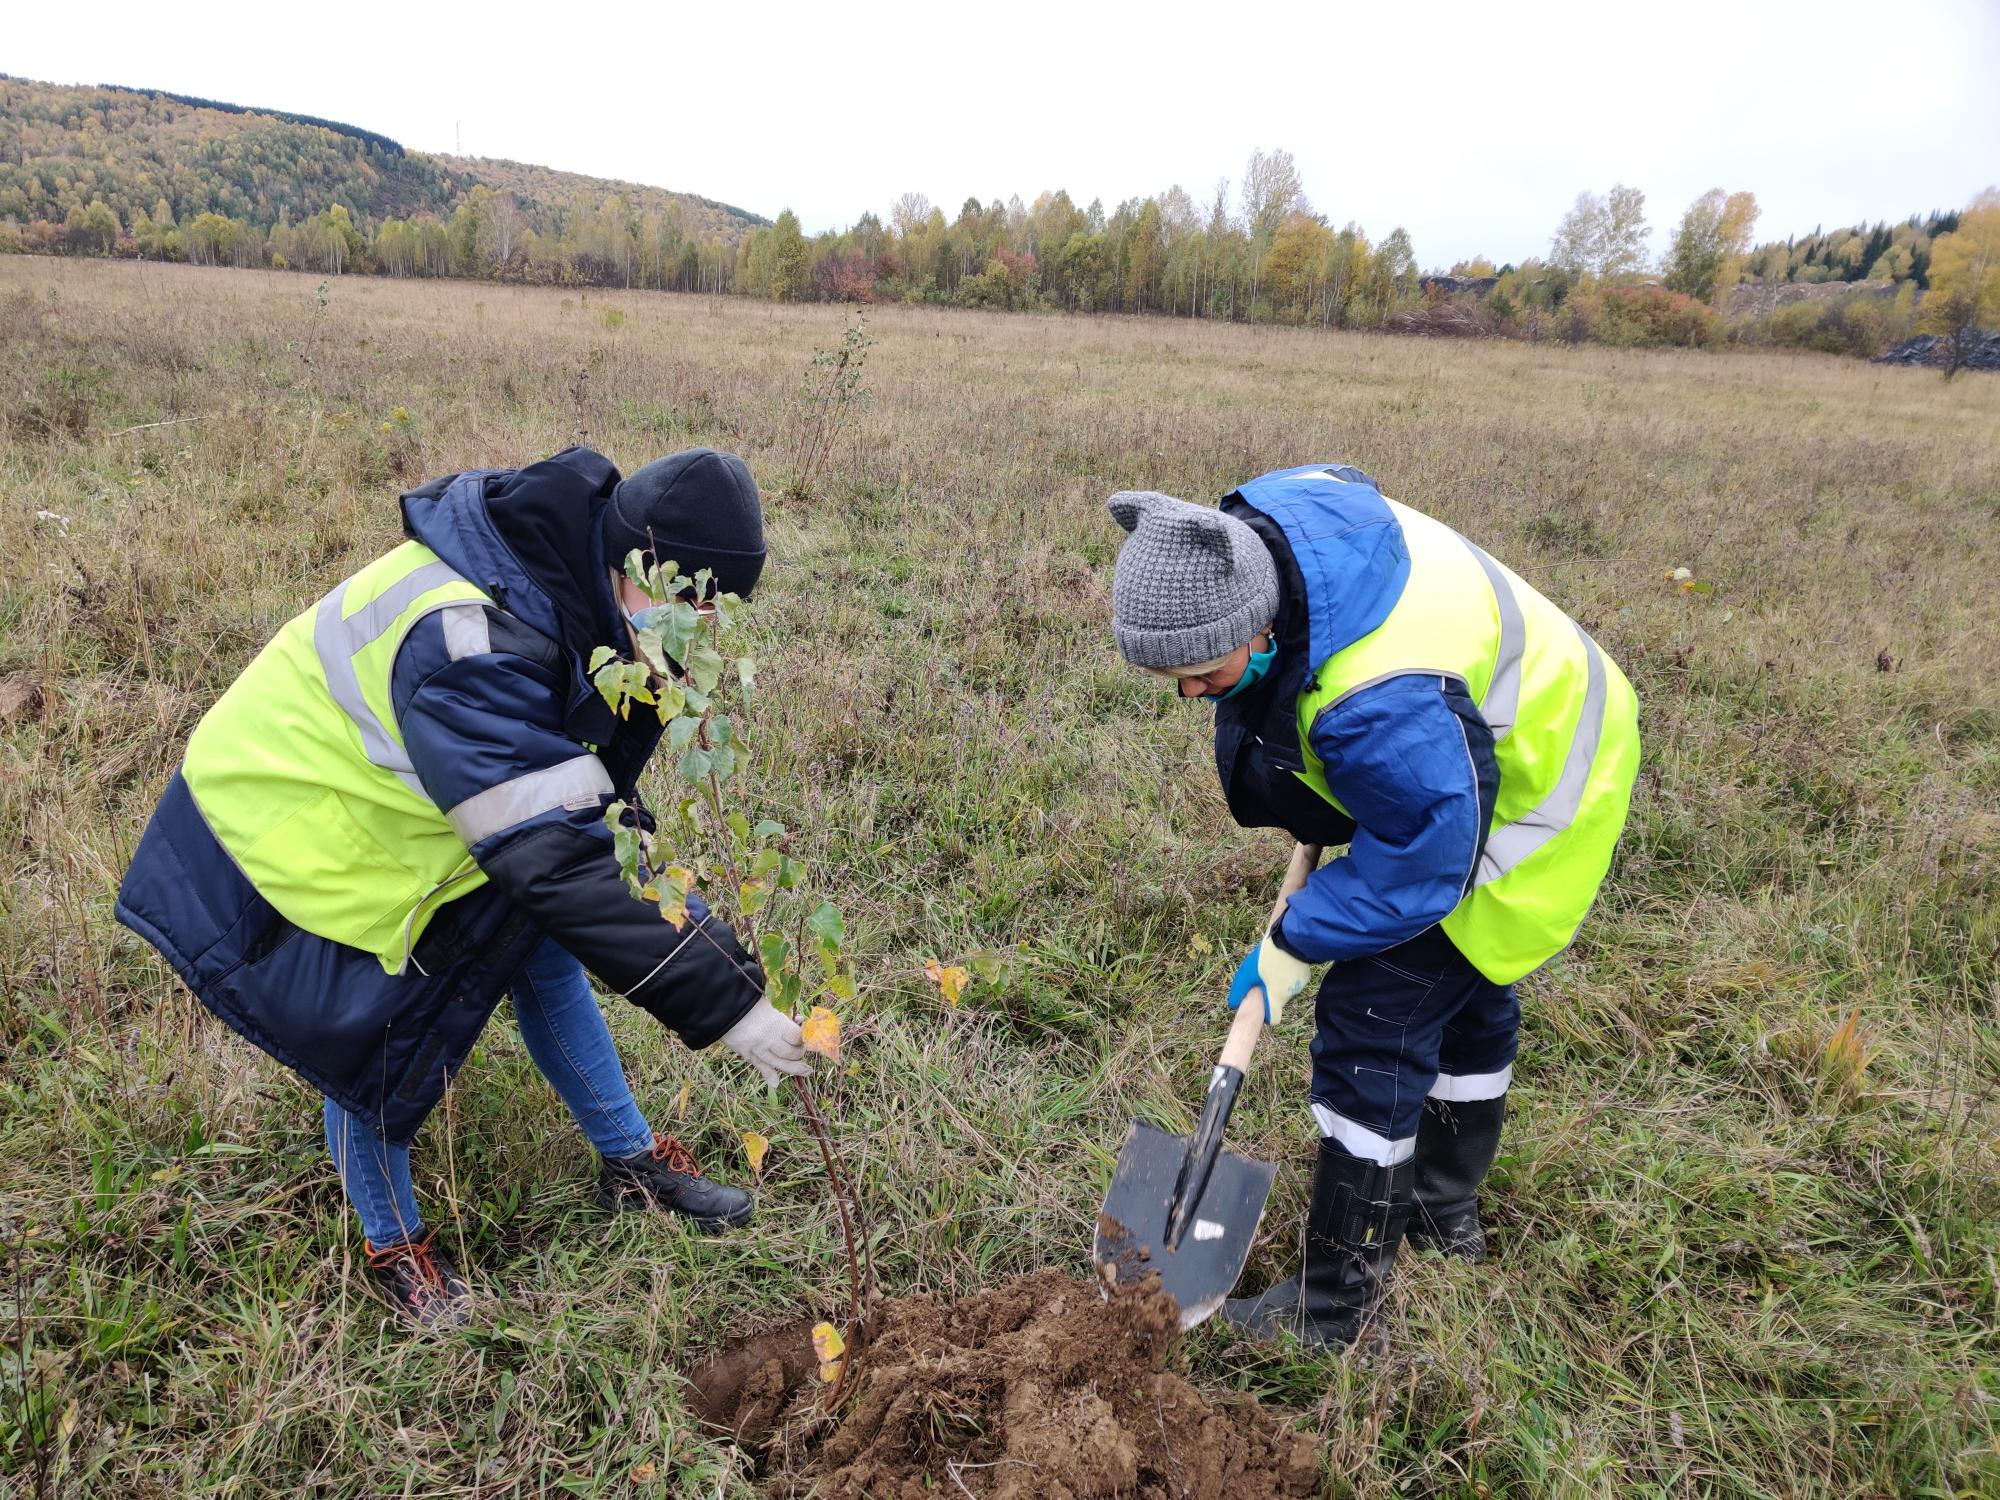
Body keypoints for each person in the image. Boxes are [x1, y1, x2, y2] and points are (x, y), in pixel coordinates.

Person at [116, 445, 810, 1329]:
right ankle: (392, 1242)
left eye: (721, 616)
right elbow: (558, 853)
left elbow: (571, 809)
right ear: (637, 566)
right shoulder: (471, 639)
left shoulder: (575, 590)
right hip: (297, 813)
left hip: (405, 795)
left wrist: (700, 945)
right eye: (691, 608)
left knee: (540, 948)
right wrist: (729, 1002)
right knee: (373, 1029)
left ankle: (632, 1164)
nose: (702, 638)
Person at [1106, 463, 1640, 1351]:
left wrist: (1296, 937)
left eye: (1201, 672)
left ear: (1260, 625)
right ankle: (1441, 1217)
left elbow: (1424, 862)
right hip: (1494, 738)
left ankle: (1338, 1310)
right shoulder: (1273, 536)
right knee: (1461, 989)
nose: (1187, 693)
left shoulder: (1374, 699)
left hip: (1544, 792)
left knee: (1380, 1006)